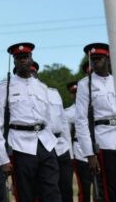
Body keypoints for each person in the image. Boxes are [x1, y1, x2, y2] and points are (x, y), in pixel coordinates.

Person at [0, 42, 59, 202]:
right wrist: (3, 158)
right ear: (14, 61)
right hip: (22, 146)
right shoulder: (5, 88)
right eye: (18, 58)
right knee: (25, 193)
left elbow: (47, 119)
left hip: (45, 144)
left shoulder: (41, 87)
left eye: (25, 57)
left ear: (31, 59)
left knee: (52, 192)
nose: (22, 60)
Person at [75, 42, 116, 202]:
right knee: (108, 189)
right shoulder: (85, 84)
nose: (95, 62)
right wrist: (89, 153)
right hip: (104, 140)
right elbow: (81, 120)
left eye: (99, 58)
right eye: (92, 59)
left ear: (108, 59)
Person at [32, 62, 73, 202]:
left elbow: (64, 121)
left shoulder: (53, 93)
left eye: (34, 74)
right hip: (44, 145)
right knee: (47, 188)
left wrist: (70, 149)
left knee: (66, 186)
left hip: (62, 145)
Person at [65, 81, 92, 202]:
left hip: (98, 145)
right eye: (73, 92)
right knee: (84, 186)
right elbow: (67, 135)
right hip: (80, 151)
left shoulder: (93, 106)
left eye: (78, 92)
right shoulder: (69, 112)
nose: (76, 95)